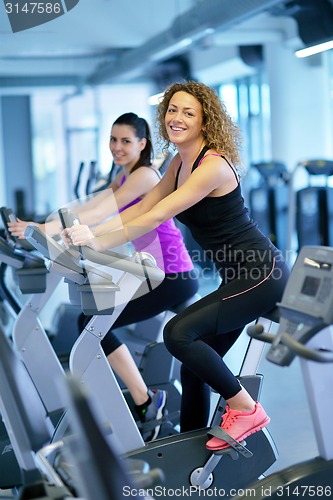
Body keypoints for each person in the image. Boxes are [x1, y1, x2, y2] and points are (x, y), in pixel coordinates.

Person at [63, 83, 290, 451]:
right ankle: (189, 454)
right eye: (172, 110)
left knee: (178, 335)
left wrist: (97, 239)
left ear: (205, 121)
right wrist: (89, 233)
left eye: (188, 113)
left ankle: (246, 408)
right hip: (238, 277)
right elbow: (140, 206)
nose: (177, 118)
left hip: (261, 273)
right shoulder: (178, 163)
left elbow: (157, 214)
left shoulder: (212, 165)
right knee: (194, 366)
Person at [8, 112, 199, 441]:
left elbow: (99, 214)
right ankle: (144, 401)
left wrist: (39, 228)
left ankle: (147, 403)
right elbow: (91, 206)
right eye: (113, 140)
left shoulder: (144, 176)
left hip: (172, 274)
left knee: (93, 324)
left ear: (142, 144)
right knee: (91, 321)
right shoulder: (123, 175)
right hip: (151, 271)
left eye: (126, 141)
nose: (117, 147)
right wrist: (41, 227)